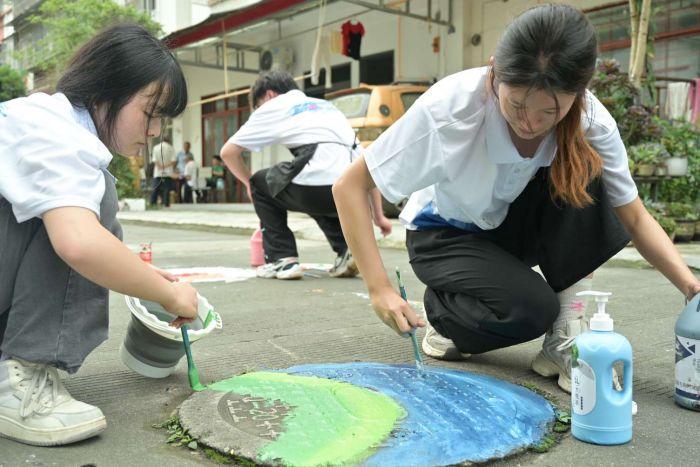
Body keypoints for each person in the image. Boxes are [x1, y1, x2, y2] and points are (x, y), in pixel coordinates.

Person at [333, 4, 700, 392]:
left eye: (549, 111)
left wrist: (692, 289)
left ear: (577, 94)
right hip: (445, 237)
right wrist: (381, 290)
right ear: (494, 72)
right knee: (532, 309)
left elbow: (635, 217)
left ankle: (562, 342)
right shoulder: (450, 110)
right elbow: (349, 187)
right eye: (517, 104)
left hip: (509, 225)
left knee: (587, 172)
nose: (530, 123)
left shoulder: (591, 120)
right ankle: (443, 315)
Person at [0, 23, 198, 446]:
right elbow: (80, 243)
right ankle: (23, 382)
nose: (154, 132)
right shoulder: (56, 132)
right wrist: (169, 296)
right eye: (151, 112)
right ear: (106, 89)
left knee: (86, 205)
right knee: (95, 204)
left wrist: (145, 278)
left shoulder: (40, 119)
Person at [220, 71, 391, 280]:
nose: (259, 110)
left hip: (314, 183)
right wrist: (379, 216)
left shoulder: (274, 105)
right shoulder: (327, 107)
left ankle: (282, 260)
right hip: (348, 188)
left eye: (258, 105)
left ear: (270, 95)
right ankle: (347, 250)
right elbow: (365, 162)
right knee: (314, 186)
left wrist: (248, 183)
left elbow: (228, 153)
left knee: (260, 182)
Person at [149, 136, 176, 207]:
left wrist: (160, 166)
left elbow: (154, 160)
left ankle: (152, 203)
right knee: (167, 188)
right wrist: (165, 166)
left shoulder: (156, 147)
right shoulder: (171, 148)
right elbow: (173, 161)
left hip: (158, 171)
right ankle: (166, 203)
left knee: (155, 187)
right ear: (169, 141)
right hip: (168, 172)